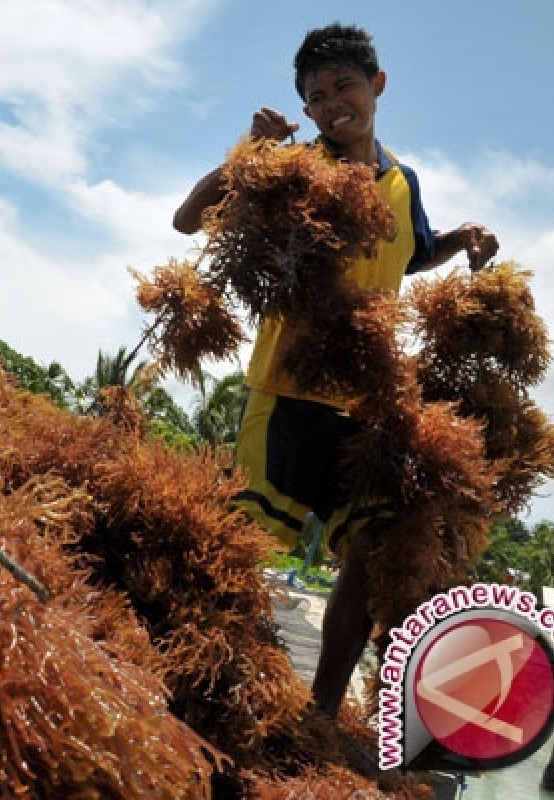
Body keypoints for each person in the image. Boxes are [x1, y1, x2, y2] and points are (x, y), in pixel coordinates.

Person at [172, 24, 499, 727]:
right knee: (243, 540)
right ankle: (199, 678)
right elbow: (188, 220)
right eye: (315, 97)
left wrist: (461, 237)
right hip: (285, 391)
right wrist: (247, 150)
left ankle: (320, 714)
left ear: (377, 86)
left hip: (366, 402)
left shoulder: (401, 181)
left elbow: (409, 257)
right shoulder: (294, 169)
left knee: (371, 550)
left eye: (342, 86)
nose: (330, 104)